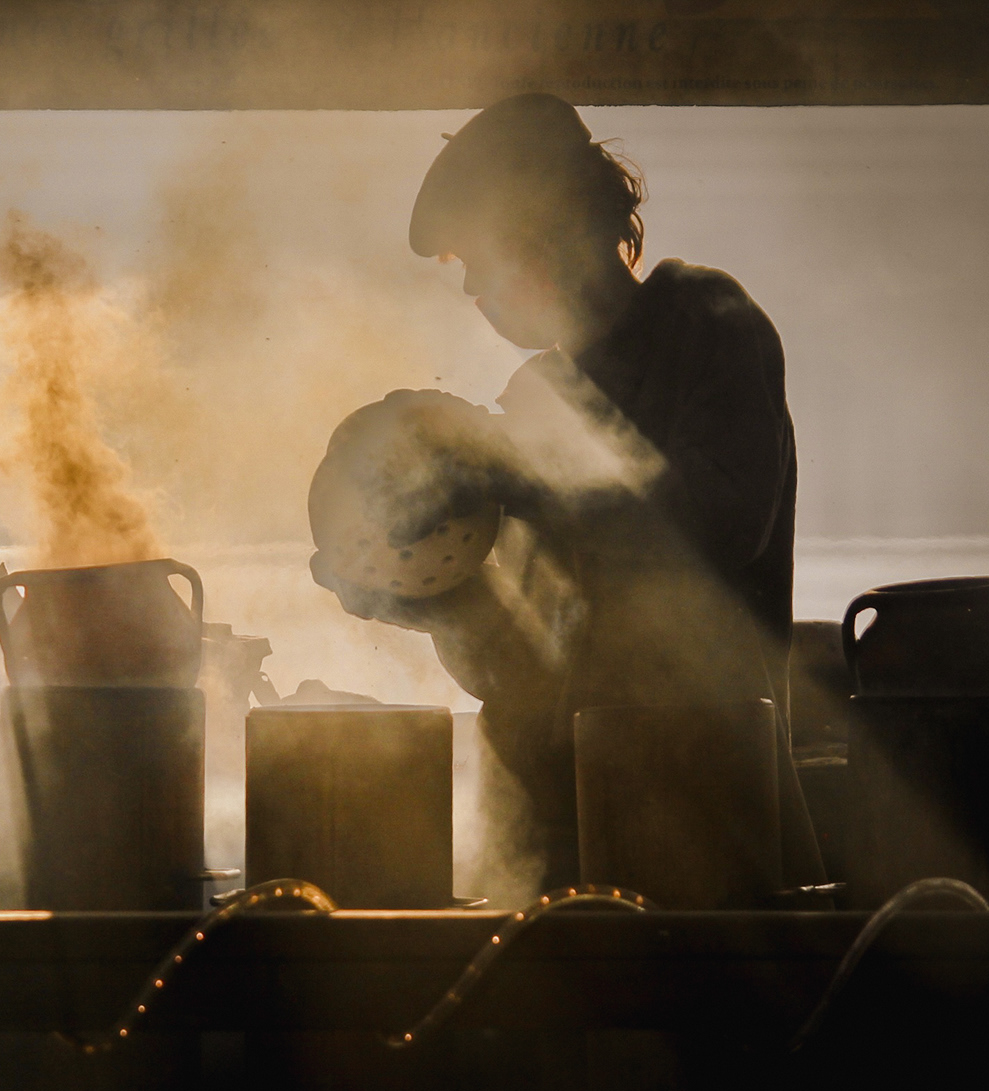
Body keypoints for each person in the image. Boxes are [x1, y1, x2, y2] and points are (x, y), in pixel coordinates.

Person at [309, 93, 822, 893]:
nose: (474, 285)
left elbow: (720, 528)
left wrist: (517, 471)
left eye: (483, 255)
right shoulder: (533, 394)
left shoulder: (706, 322)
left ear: (561, 225)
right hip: (555, 826)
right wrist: (409, 590)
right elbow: (516, 651)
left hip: (708, 811)